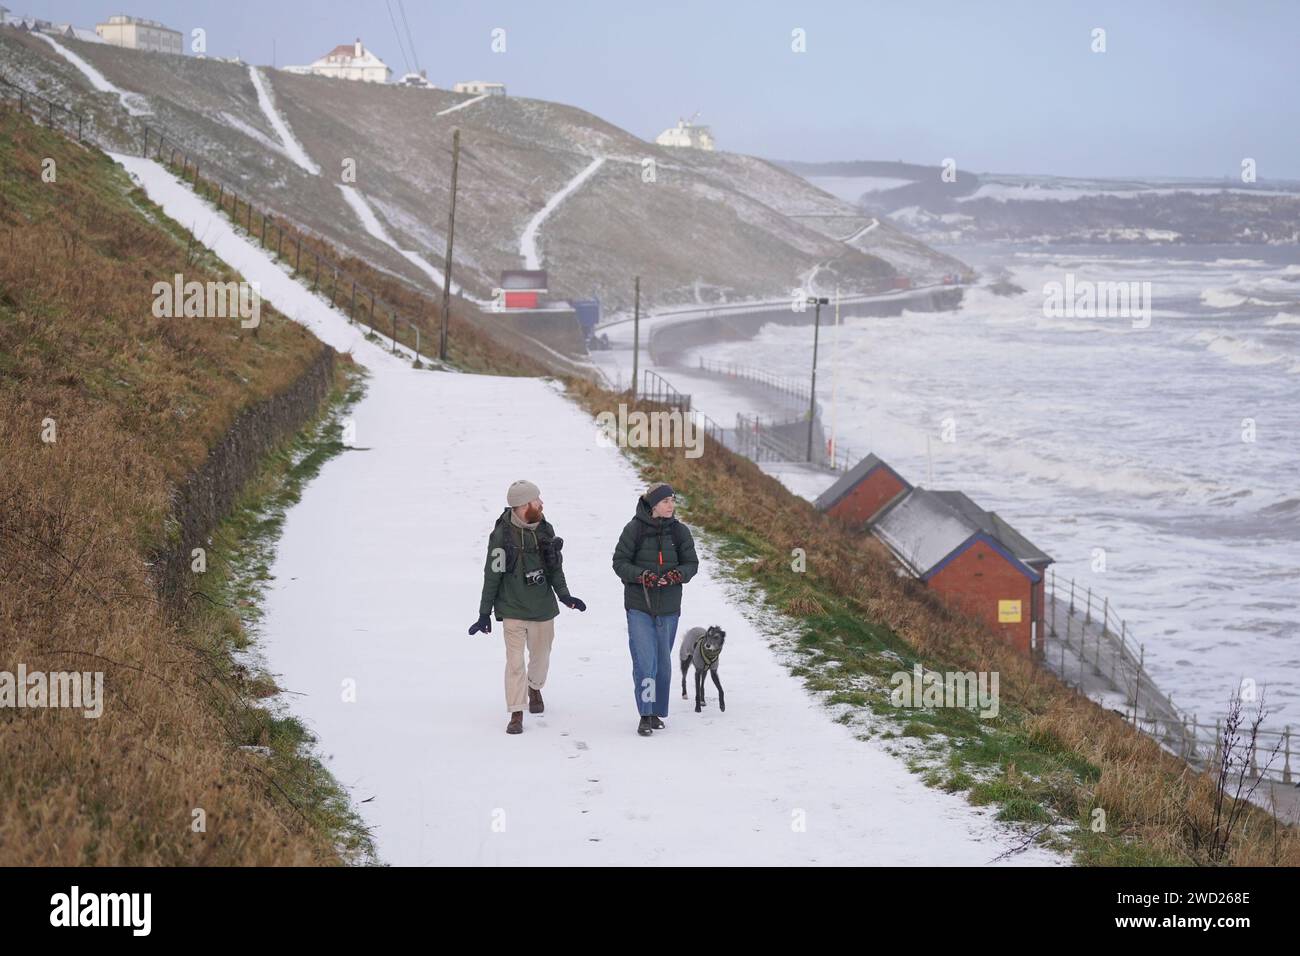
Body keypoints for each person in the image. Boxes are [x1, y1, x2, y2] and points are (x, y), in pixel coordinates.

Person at [470, 480, 585, 735]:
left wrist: (566, 597)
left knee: (541, 658)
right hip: (512, 610)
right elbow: (492, 575)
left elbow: (555, 567)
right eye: (537, 500)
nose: (542, 504)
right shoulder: (502, 535)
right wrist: (483, 613)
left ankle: (535, 686)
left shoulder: (546, 529)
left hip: (543, 608)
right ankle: (516, 712)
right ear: (523, 506)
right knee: (514, 663)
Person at [611, 482, 698, 736]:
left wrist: (675, 575)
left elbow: (691, 564)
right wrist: (642, 576)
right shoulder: (634, 529)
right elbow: (619, 563)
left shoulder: (680, 532)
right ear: (653, 505)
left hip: (669, 608)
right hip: (640, 607)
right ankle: (645, 714)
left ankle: (657, 711)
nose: (671, 506)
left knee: (662, 664)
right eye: (665, 501)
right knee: (645, 662)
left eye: (673, 500)